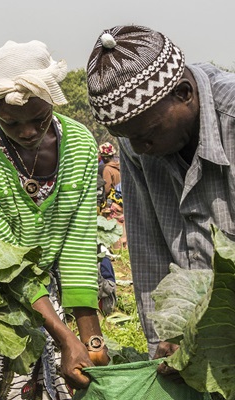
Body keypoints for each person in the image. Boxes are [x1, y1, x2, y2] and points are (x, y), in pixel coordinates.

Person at [0, 40, 108, 400]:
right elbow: (4, 260)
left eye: (38, 120)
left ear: (53, 100)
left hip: (50, 294)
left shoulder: (81, 145)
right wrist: (66, 337)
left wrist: (90, 336)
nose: (27, 132)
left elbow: (78, 241)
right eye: (12, 122)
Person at [86, 24, 235, 363]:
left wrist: (211, 330)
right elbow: (149, 250)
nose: (140, 149)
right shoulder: (138, 138)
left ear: (184, 93)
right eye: (127, 139)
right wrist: (165, 343)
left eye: (147, 134)